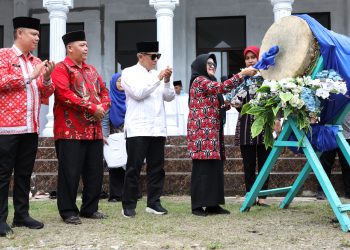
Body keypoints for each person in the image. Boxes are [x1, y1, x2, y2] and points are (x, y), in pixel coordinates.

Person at [0, 16, 55, 236]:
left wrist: (47, 78)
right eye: (33, 34)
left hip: (31, 127)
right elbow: (1, 81)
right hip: (6, 127)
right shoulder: (3, 55)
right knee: (3, 174)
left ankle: (21, 215)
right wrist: (29, 76)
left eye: (38, 35)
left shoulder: (36, 61)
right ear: (20, 33)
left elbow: (45, 93)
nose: (37, 38)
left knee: (24, 173)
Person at [52, 31, 110, 225]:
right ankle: (68, 211)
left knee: (94, 171)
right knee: (70, 172)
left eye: (86, 45)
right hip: (70, 132)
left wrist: (103, 106)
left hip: (93, 131)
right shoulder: (61, 69)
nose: (86, 49)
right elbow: (64, 94)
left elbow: (104, 91)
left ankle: (90, 208)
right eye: (82, 45)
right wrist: (94, 108)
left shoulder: (91, 70)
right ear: (70, 48)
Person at [187, 53, 257, 216]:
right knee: (202, 170)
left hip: (212, 132)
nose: (212, 66)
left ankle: (213, 205)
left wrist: (226, 105)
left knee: (214, 169)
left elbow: (212, 103)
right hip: (201, 134)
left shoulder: (208, 81)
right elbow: (220, 88)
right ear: (200, 65)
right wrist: (242, 74)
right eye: (208, 63)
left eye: (214, 63)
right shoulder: (199, 80)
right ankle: (197, 206)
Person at [121, 41, 174, 218]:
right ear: (140, 56)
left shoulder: (157, 75)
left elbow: (169, 96)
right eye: (153, 56)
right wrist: (158, 78)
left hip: (157, 128)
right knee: (133, 168)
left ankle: (154, 203)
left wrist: (166, 81)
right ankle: (128, 205)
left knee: (157, 168)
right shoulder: (128, 72)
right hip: (138, 128)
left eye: (158, 56)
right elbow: (138, 93)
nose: (156, 60)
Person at [232, 46, 281, 206]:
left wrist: (277, 120)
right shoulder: (241, 79)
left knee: (264, 163)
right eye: (247, 58)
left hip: (264, 126)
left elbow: (275, 100)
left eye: (253, 57)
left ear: (259, 58)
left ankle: (262, 197)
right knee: (249, 164)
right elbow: (235, 102)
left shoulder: (267, 78)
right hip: (246, 126)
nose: (250, 60)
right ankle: (250, 195)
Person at [102, 73, 127, 202]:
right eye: (118, 81)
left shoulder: (131, 97)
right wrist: (104, 135)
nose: (121, 84)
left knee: (129, 164)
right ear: (113, 83)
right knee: (115, 164)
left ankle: (130, 193)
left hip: (129, 134)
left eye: (123, 81)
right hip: (113, 136)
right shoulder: (109, 99)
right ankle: (116, 195)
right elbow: (105, 119)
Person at [316, 112, 350, 200]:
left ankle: (349, 191)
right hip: (329, 134)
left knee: (347, 164)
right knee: (325, 163)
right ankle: (322, 190)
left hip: (348, 134)